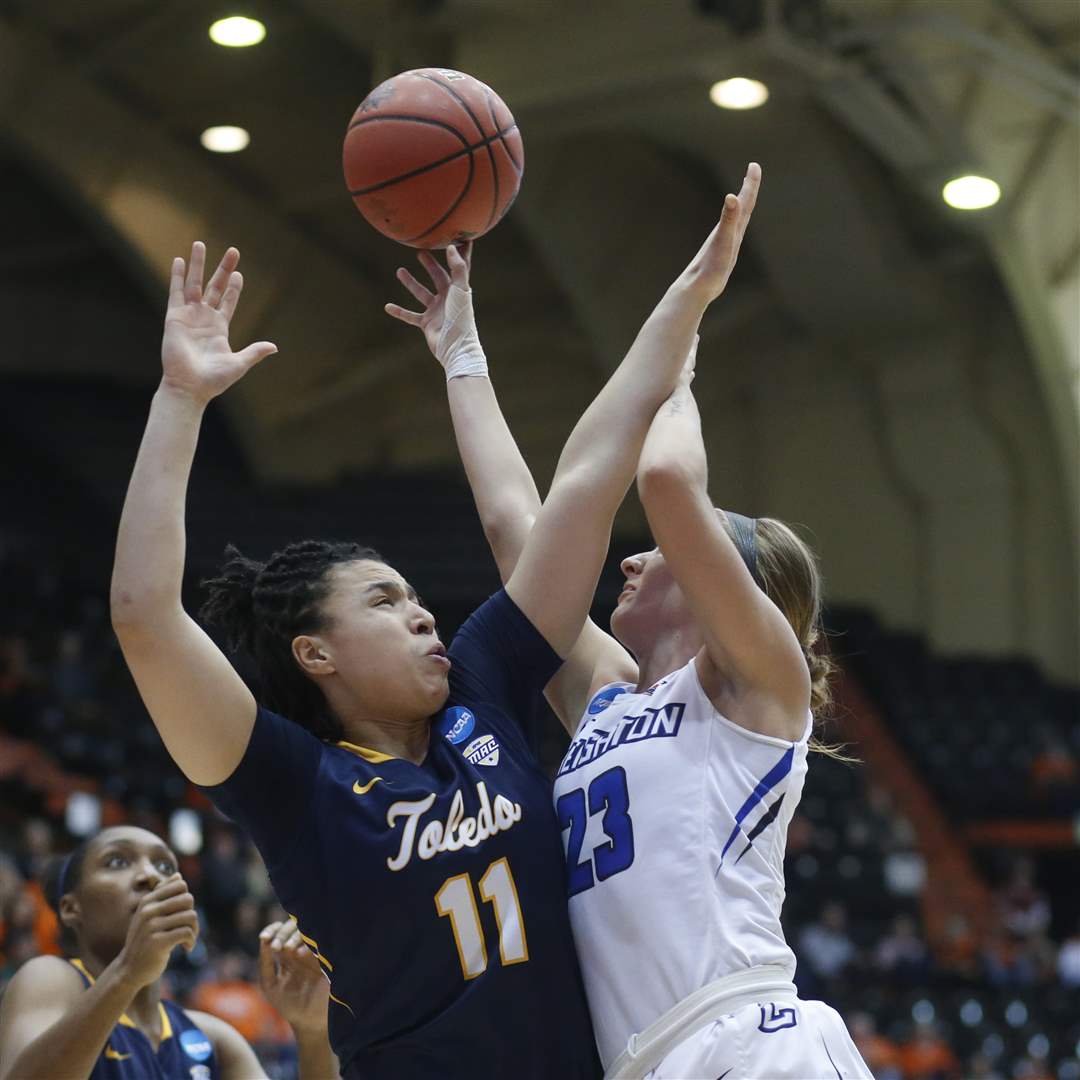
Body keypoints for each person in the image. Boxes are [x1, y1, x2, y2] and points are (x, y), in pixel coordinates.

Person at [108, 205, 710, 1077]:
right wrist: (179, 397)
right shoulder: (292, 783)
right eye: (386, 603)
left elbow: (565, 504)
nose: (424, 615)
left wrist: (471, 356)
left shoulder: (480, 691)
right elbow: (143, 615)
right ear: (316, 653)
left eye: (417, 598)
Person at [396, 161, 871, 1077]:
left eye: (667, 551)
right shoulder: (608, 699)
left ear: (725, 574)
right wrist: (462, 354)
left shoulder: (756, 688)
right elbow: (516, 534)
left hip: (750, 1038)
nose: (634, 555)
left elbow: (662, 481)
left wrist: (682, 343)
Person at [0, 825, 336, 1079]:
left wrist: (313, 1032)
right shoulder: (50, 978)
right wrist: (126, 972)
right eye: (117, 861)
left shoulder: (212, 1038)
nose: (150, 876)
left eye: (164, 866)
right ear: (71, 908)